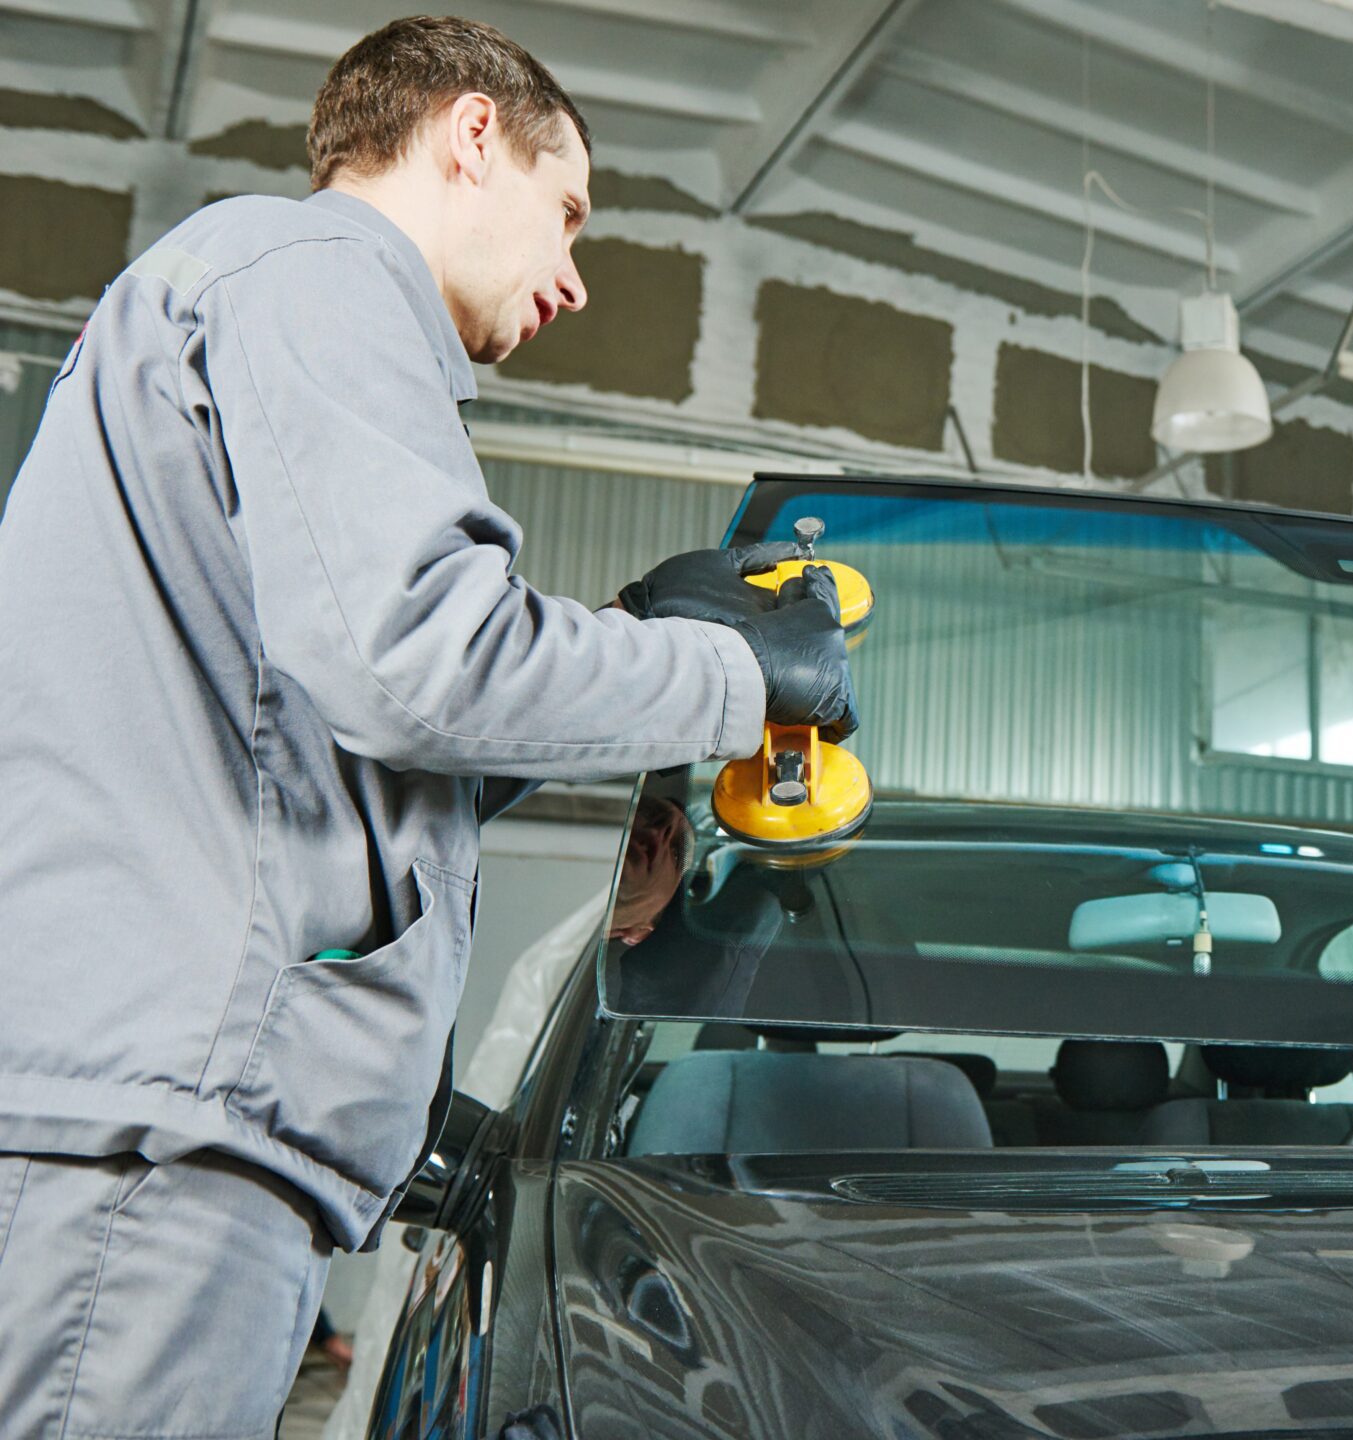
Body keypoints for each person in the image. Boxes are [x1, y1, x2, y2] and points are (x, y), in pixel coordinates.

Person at [0, 17, 853, 1432]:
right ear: (471, 137)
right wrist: (734, 674)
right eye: (568, 211)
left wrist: (633, 630)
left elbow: (330, 744)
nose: (575, 279)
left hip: (142, 1119)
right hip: (167, 1146)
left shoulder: (236, 296)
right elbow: (422, 665)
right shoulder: (326, 274)